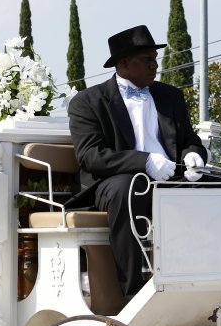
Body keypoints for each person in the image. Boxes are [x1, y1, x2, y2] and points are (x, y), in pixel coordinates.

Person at [68, 24, 207, 297]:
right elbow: (90, 156)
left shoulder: (171, 96)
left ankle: (208, 278)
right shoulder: (88, 101)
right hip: (112, 183)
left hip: (170, 178)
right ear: (123, 64)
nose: (154, 66)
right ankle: (133, 290)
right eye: (146, 61)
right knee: (127, 188)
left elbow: (190, 140)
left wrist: (194, 156)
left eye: (155, 60)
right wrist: (143, 161)